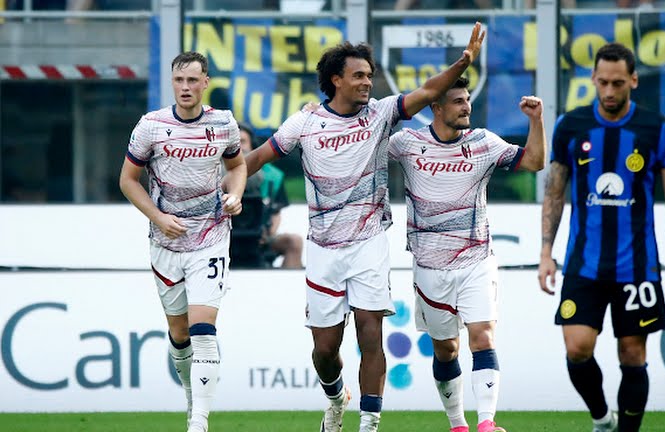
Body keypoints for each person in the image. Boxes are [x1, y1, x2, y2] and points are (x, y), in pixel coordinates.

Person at [227, 22, 485, 432]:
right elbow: (255, 159)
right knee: (325, 351)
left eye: (369, 75)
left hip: (369, 242)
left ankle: (369, 424)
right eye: (359, 75)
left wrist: (463, 61)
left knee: (370, 330)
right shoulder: (305, 123)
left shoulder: (381, 114)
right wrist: (224, 186)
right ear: (336, 80)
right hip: (324, 249)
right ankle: (335, 399)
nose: (367, 82)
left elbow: (428, 92)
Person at [537, 42, 665, 432]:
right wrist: (545, 253)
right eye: (602, 82)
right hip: (583, 264)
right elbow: (555, 192)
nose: (608, 91)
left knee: (632, 354)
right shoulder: (571, 126)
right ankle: (601, 417)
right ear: (592, 78)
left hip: (636, 266)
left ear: (634, 81)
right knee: (576, 348)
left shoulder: (655, 128)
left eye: (618, 83)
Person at [388, 77, 546, 432]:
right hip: (429, 266)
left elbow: (535, 161)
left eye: (467, 101)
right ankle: (457, 423)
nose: (466, 107)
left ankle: (487, 423)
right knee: (446, 349)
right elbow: (364, 147)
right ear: (436, 107)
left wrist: (536, 120)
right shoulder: (407, 143)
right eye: (458, 101)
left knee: (483, 336)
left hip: (477, 258)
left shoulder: (483, 143)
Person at [119, 51, 247, 432]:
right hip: (165, 241)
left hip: (210, 235)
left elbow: (237, 166)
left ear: (206, 82)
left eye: (193, 80)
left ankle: (200, 421)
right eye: (180, 81)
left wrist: (235, 195)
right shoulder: (151, 126)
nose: (186, 88)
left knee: (203, 329)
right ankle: (192, 400)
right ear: (172, 83)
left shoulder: (223, 123)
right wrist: (158, 217)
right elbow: (127, 180)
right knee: (179, 335)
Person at [232, 122, 303, 269]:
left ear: (253, 145)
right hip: (221, 239)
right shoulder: (213, 172)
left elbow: (276, 212)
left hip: (259, 237)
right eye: (233, 142)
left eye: (243, 142)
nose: (238, 147)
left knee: (294, 242)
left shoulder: (274, 176)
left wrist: (268, 233)